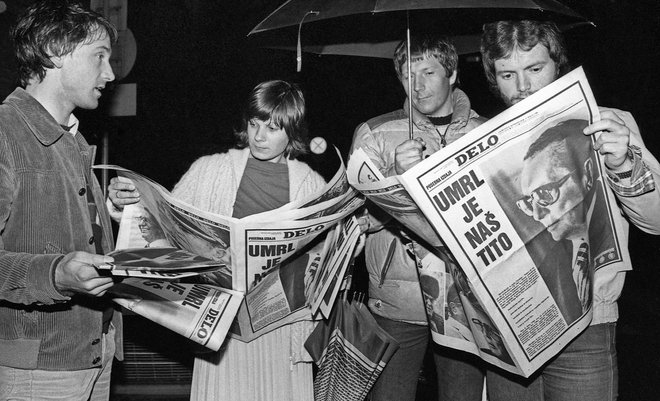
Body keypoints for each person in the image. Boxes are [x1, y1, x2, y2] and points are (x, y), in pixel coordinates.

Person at [109, 79, 326, 401]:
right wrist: (123, 204)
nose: (260, 136)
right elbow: (165, 227)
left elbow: (326, 255)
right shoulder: (209, 170)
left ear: (293, 132)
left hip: (281, 322)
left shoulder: (312, 184)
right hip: (224, 319)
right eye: (254, 124)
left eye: (273, 128)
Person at [481, 19, 660, 401]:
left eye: (534, 69)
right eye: (507, 74)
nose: (523, 87)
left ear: (557, 63)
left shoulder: (609, 123)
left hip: (589, 323)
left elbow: (656, 220)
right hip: (513, 327)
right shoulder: (481, 141)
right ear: (493, 77)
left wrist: (624, 164)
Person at [350, 34, 486, 401]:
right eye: (408, 74)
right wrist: (396, 177)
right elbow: (353, 222)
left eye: (428, 71)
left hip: (468, 302)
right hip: (397, 299)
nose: (418, 84)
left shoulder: (487, 131)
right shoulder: (374, 133)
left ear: (453, 73)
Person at [0, 2, 120, 400]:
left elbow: (74, 240)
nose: (110, 74)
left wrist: (118, 216)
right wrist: (56, 274)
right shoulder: (5, 132)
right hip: (38, 368)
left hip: (94, 354)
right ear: (54, 51)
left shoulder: (73, 138)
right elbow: (59, 263)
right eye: (99, 57)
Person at [518, 119, 614, 324]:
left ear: (586, 174)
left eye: (544, 192)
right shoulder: (552, 258)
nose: (536, 214)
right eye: (528, 201)